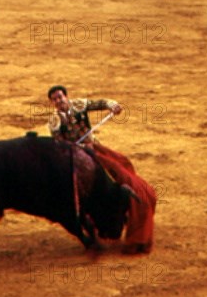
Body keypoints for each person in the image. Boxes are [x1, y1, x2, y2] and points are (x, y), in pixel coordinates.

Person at [47, 85, 156, 253]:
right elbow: (59, 145)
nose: (59, 101)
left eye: (60, 97)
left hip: (94, 149)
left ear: (66, 96)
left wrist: (113, 105)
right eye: (55, 99)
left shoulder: (79, 105)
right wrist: (76, 147)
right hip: (76, 156)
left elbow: (101, 103)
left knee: (122, 164)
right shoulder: (54, 121)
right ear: (52, 102)